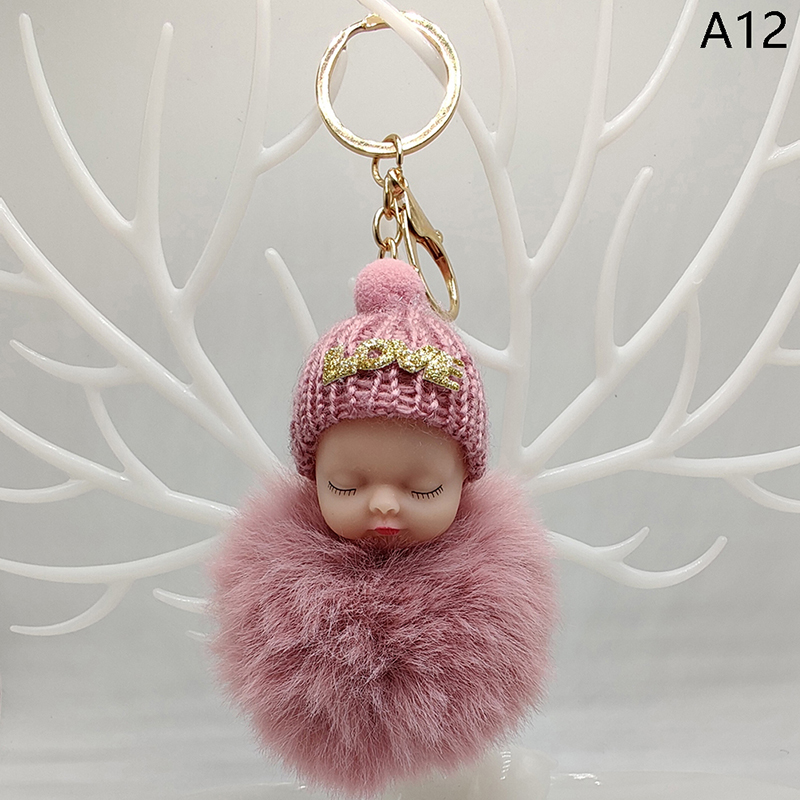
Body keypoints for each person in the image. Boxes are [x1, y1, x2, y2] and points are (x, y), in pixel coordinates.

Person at [211, 259, 556, 798]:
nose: (385, 505)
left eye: (424, 489)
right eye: (346, 485)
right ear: (312, 477)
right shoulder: (279, 609)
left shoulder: (494, 602)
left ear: (464, 481)